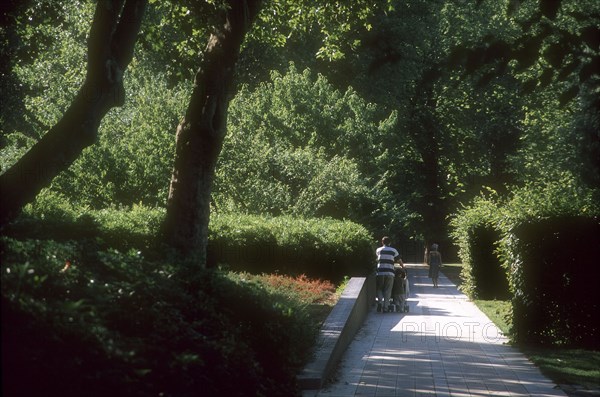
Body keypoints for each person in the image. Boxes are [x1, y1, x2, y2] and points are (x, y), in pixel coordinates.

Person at [375, 236, 402, 312]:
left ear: (382, 242)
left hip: (380, 272)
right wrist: (403, 267)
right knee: (388, 290)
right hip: (390, 272)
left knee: (379, 288)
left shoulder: (378, 250)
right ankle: (385, 307)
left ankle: (380, 302)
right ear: (390, 242)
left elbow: (377, 259)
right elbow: (399, 260)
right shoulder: (394, 250)